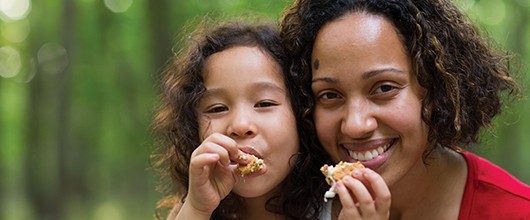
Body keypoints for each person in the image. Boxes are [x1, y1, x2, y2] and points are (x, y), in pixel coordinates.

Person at [280, 0, 530, 219]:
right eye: (330, 95)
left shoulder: (516, 211)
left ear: (435, 89)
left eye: (384, 88)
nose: (356, 125)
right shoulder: (281, 203)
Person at [150, 17, 330, 220]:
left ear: (301, 115)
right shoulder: (191, 211)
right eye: (218, 108)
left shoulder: (342, 208)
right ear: (192, 127)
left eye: (264, 103)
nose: (240, 125)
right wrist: (197, 209)